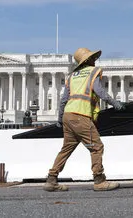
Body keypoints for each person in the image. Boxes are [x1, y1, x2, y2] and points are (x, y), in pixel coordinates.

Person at [43, 47, 125, 192]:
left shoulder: (72, 76)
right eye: (93, 58)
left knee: (66, 149)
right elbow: (100, 92)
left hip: (68, 115)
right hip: (81, 115)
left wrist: (60, 119)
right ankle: (99, 180)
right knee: (97, 147)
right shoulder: (93, 72)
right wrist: (116, 103)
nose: (95, 60)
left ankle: (51, 179)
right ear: (88, 60)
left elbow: (63, 100)